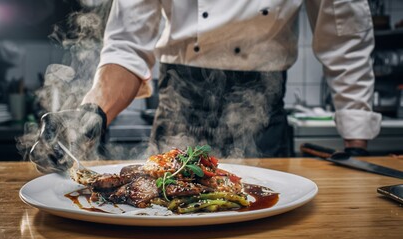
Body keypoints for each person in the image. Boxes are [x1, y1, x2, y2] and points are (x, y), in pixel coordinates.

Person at [29, 0, 382, 173]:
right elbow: (127, 46)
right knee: (163, 213)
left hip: (261, 108)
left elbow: (343, 36)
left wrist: (356, 142)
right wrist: (91, 115)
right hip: (179, 105)